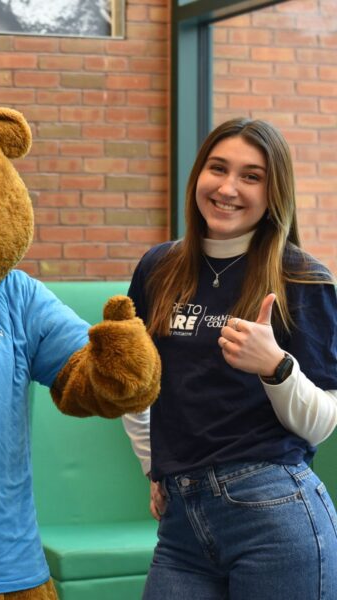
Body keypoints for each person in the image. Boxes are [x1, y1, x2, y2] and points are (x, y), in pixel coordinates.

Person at [123, 117, 337, 599]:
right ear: (198, 174)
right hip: (180, 520)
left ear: (273, 191)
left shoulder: (303, 278)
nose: (228, 188)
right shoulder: (159, 267)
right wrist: (155, 465)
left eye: (251, 176)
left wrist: (276, 367)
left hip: (274, 510)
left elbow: (320, 424)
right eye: (217, 168)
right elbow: (135, 385)